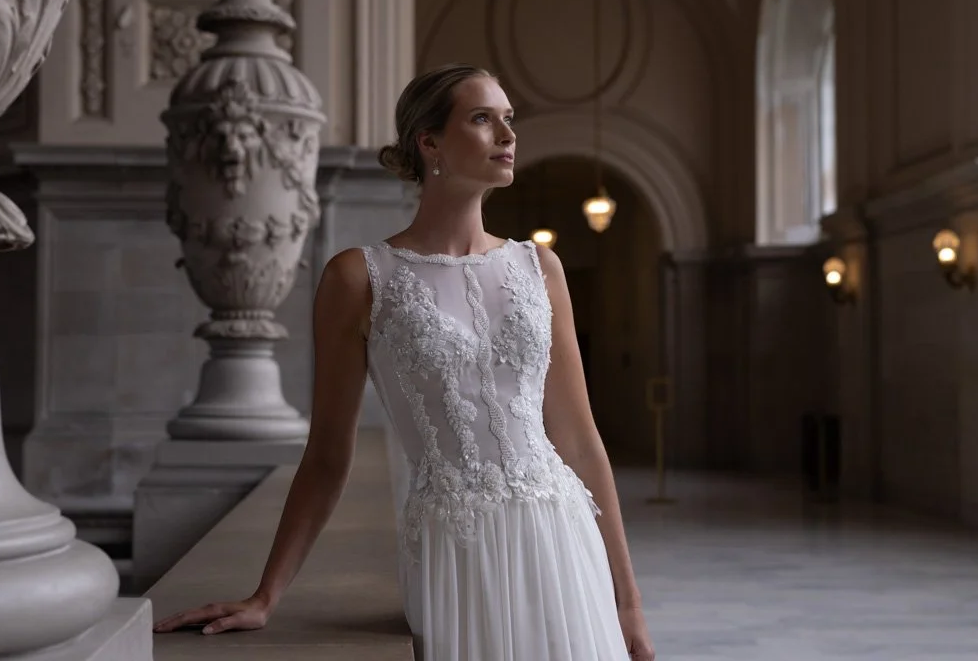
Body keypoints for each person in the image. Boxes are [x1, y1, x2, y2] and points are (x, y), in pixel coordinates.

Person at [153, 63, 655, 660]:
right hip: (455, 548)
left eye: (509, 120)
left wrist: (627, 602)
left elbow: (579, 440)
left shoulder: (540, 269)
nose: (507, 135)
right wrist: (266, 595)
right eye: (482, 118)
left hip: (560, 534)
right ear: (430, 142)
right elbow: (326, 455)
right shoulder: (359, 277)